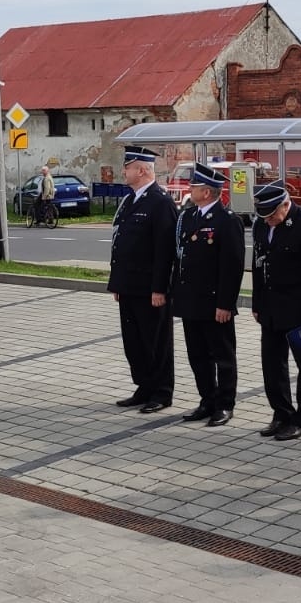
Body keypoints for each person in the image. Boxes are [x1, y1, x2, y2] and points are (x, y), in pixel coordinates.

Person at [251, 181, 301, 441]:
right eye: (264, 216)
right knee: (272, 365)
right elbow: (258, 265)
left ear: (285, 205)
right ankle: (281, 413)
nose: (268, 221)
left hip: (300, 310)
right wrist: (257, 303)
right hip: (271, 308)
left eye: (272, 215)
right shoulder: (262, 224)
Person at [172, 162, 245, 427]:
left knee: (222, 357)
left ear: (206, 192)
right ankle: (207, 400)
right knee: (198, 356)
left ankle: (225, 404)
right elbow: (181, 259)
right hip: (191, 301)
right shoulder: (189, 217)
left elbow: (232, 267)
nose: (190, 189)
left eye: (194, 186)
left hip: (215, 303)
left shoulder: (227, 221)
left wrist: (225, 304)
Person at [107, 146, 178, 413]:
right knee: (134, 342)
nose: (123, 171)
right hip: (129, 286)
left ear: (142, 170)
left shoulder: (160, 202)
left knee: (155, 342)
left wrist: (160, 288)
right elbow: (120, 243)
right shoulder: (130, 200)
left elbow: (165, 251)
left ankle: (161, 392)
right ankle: (144, 386)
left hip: (150, 289)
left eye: (128, 167)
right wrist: (117, 283)